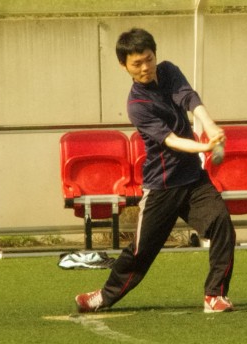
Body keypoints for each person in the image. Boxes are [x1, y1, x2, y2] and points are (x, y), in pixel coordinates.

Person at [75, 28, 236, 314]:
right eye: (137, 63)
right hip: (162, 186)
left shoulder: (169, 71)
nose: (145, 67)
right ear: (124, 66)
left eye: (149, 59)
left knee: (222, 225)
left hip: (194, 180)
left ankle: (214, 295)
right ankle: (103, 297)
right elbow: (171, 141)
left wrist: (210, 126)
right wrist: (204, 147)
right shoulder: (137, 105)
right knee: (141, 252)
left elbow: (190, 99)